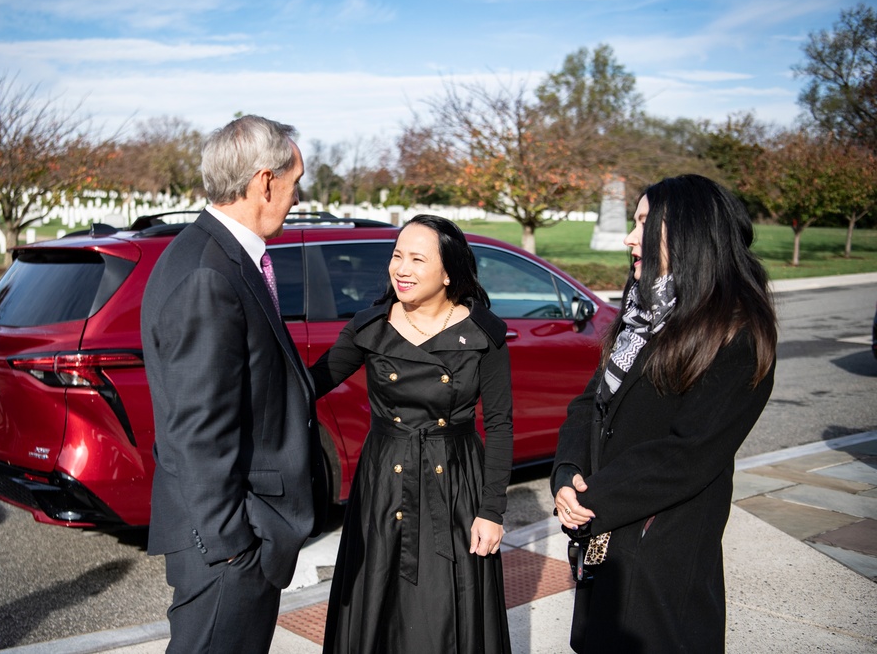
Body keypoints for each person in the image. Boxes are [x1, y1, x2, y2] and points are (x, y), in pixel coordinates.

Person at [551, 174, 778, 653]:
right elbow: (590, 403)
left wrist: (592, 498)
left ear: (688, 233)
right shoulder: (642, 313)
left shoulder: (737, 333)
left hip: (662, 553)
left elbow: (689, 452)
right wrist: (567, 474)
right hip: (608, 537)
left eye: (642, 223)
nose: (630, 239)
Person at [140, 115, 326, 654]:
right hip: (224, 548)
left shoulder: (217, 254)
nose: (297, 196)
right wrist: (234, 549)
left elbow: (262, 392)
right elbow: (199, 431)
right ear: (264, 181)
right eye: (295, 182)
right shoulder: (208, 272)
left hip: (230, 539)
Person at [310, 214, 513, 654]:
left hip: (456, 486)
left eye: (417, 259)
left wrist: (492, 510)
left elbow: (499, 424)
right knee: (377, 598)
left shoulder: (484, 335)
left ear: (448, 272)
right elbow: (309, 385)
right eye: (397, 255)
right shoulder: (370, 327)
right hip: (383, 483)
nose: (401, 268)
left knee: (445, 607)